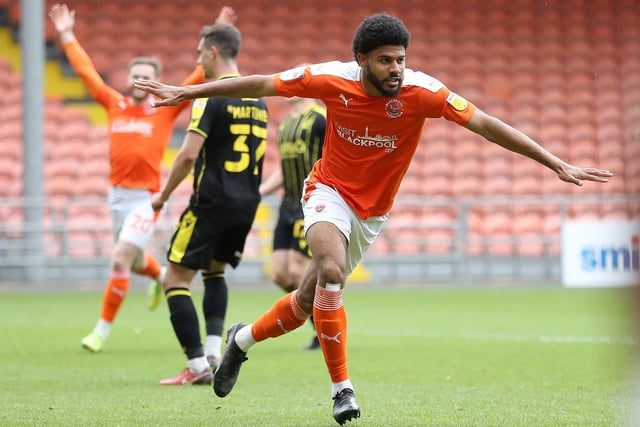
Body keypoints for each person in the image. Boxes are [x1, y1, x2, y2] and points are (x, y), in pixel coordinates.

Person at [134, 13, 613, 425]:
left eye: (401, 58)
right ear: (362, 59)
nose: (396, 69)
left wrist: (555, 162)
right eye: (386, 59)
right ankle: (343, 389)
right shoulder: (330, 79)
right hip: (327, 192)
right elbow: (262, 83)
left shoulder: (424, 92)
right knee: (332, 271)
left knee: (305, 302)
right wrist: (188, 90)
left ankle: (240, 341)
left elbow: (487, 124)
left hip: (373, 212)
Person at [48, 3, 236, 353]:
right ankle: (160, 276)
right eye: (137, 74)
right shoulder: (113, 103)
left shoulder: (163, 110)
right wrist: (66, 34)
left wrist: (216, 31)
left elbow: (198, 76)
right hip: (116, 197)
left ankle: (100, 333)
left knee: (119, 259)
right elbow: (87, 72)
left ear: (155, 80)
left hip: (146, 198)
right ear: (129, 78)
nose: (141, 80)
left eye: (148, 74)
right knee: (133, 261)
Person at [151, 23, 268, 385]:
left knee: (174, 279)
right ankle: (216, 350)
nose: (198, 59)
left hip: (212, 201)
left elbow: (187, 156)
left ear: (214, 52)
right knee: (214, 272)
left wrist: (163, 195)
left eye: (200, 52)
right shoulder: (258, 100)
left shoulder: (209, 96)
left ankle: (198, 364)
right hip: (247, 202)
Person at [259, 94, 326, 351]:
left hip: (308, 203)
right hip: (285, 205)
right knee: (279, 274)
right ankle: (319, 325)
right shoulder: (287, 124)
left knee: (299, 271)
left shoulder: (320, 119)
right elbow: (283, 169)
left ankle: (326, 328)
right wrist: (261, 191)